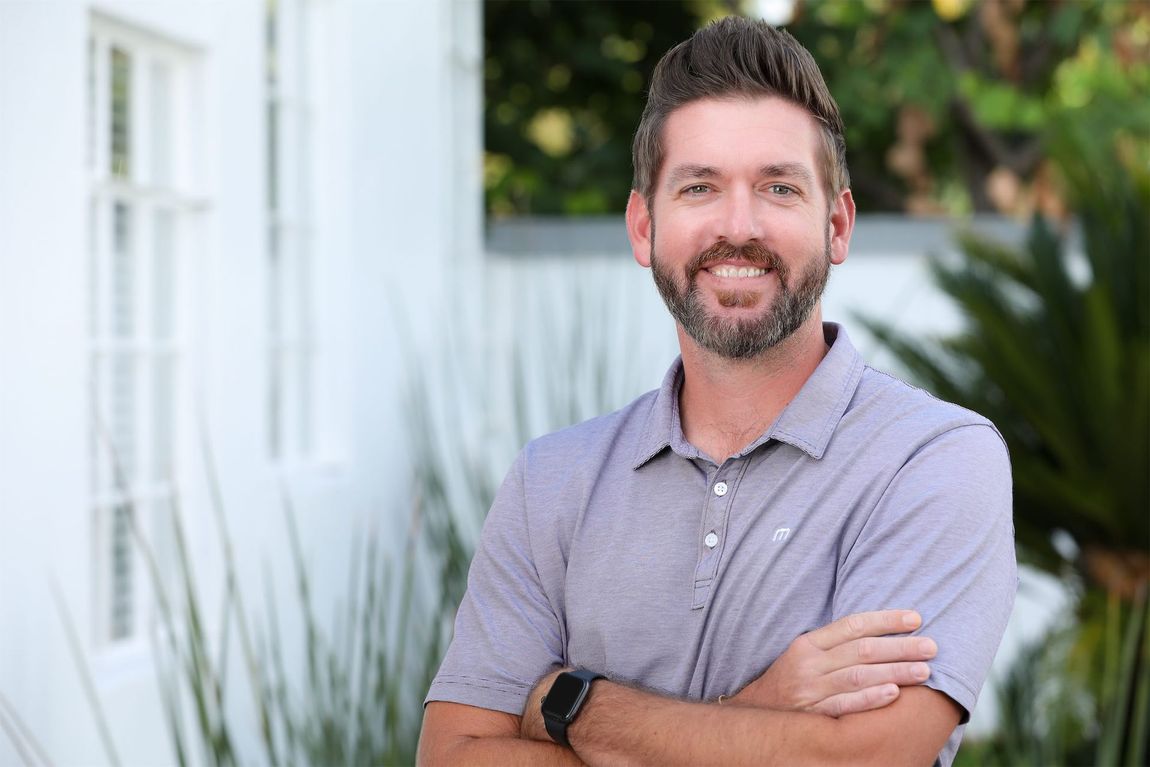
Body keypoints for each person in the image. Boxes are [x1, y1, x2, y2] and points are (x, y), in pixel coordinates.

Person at [419, 16, 1015, 767]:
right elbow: (453, 755)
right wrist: (762, 706)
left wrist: (570, 704)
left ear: (836, 224)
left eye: (778, 186)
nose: (739, 225)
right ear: (644, 226)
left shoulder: (932, 460)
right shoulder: (551, 481)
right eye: (700, 186)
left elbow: (857, 759)